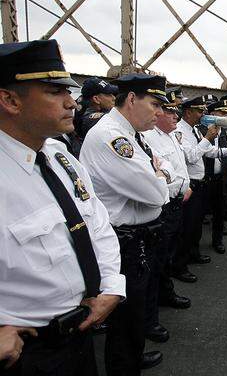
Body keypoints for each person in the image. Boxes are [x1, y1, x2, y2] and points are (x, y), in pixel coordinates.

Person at [0, 39, 124, 375]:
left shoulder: (58, 155)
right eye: (55, 92)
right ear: (10, 99)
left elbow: (96, 223)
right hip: (28, 354)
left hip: (78, 337)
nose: (71, 102)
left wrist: (111, 285)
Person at [80, 73, 171, 374]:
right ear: (132, 99)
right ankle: (124, 367)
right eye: (155, 104)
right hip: (122, 241)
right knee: (125, 316)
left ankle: (133, 355)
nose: (160, 113)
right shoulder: (111, 137)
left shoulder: (133, 135)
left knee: (135, 311)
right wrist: (159, 177)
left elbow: (163, 168)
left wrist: (160, 175)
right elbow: (156, 192)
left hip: (136, 238)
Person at [142, 97, 192, 345]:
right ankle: (148, 320)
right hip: (163, 204)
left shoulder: (171, 135)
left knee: (166, 256)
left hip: (176, 202)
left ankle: (165, 293)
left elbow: (179, 165)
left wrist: (187, 185)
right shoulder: (150, 137)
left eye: (175, 112)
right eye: (169, 111)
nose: (175, 116)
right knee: (155, 261)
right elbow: (159, 172)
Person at [173, 96, 227, 280]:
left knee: (196, 225)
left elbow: (208, 152)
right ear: (188, 112)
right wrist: (208, 137)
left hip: (200, 184)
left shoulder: (193, 130)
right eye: (199, 111)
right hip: (191, 185)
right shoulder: (180, 132)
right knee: (187, 227)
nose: (203, 114)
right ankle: (180, 266)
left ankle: (193, 254)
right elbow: (192, 157)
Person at [197, 101, 227, 253]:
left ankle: (218, 241)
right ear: (212, 115)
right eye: (221, 114)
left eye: (225, 114)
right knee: (199, 213)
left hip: (222, 178)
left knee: (219, 211)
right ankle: (193, 246)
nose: (224, 117)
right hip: (206, 177)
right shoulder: (201, 131)